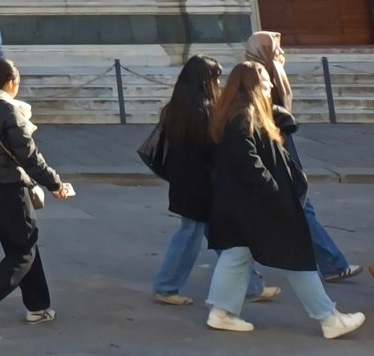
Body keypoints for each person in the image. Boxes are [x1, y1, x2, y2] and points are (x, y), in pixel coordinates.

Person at [205, 60, 363, 340]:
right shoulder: (243, 117)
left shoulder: (241, 113)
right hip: (261, 204)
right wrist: (275, 191)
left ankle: (222, 312)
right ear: (253, 83)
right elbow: (248, 163)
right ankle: (329, 318)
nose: (271, 83)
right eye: (265, 79)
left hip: (243, 204)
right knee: (295, 256)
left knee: (237, 254)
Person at [0, 57, 72, 331]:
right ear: (10, 83)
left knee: (21, 248)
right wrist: (55, 184)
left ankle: (38, 306)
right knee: (24, 251)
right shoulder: (9, 112)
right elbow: (30, 156)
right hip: (13, 188)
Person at [249, 31, 361, 285]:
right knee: (297, 206)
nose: (280, 52)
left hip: (274, 146)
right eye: (275, 47)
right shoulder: (262, 73)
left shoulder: (265, 72)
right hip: (273, 147)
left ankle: (330, 264)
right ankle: (331, 264)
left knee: (293, 206)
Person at [149, 55, 223, 304]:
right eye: (216, 78)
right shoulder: (205, 111)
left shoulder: (175, 109)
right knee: (192, 235)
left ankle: (252, 286)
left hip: (184, 182)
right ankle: (166, 287)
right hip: (203, 185)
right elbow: (213, 150)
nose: (219, 83)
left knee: (221, 235)